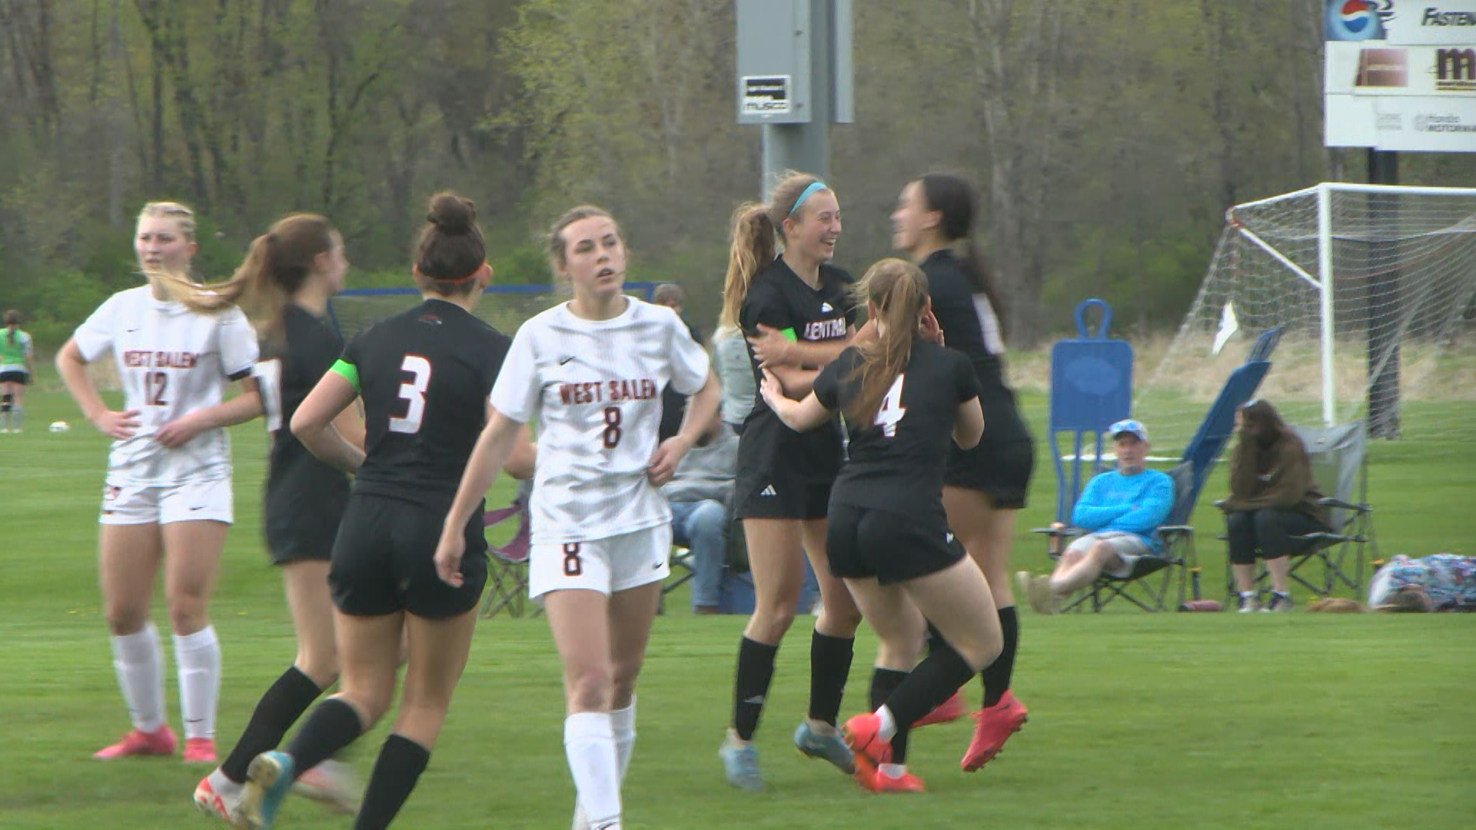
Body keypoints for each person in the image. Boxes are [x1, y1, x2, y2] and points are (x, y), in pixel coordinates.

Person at [237, 193, 531, 830]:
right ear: (484, 274)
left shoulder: (372, 338)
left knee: (362, 690)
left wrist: (361, 465)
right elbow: (516, 457)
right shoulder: (495, 350)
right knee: (423, 706)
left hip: (365, 523)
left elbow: (307, 422)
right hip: (441, 531)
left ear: (417, 274)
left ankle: (288, 760)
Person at [435, 205, 719, 830]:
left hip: (640, 520)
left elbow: (707, 388)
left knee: (622, 679)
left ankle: (590, 816)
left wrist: (681, 441)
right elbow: (498, 437)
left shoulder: (659, 326)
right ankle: (609, 822)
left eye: (610, 242)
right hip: (567, 522)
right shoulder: (539, 337)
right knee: (588, 681)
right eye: (586, 248)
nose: (602, 255)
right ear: (564, 266)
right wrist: (457, 523)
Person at [761, 258, 1002, 793]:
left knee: (901, 639)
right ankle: (880, 727)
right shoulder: (951, 365)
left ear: (871, 310)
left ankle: (888, 772)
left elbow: (799, 418)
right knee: (984, 643)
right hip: (906, 517)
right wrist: (942, 353)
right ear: (926, 309)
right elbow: (972, 437)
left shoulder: (850, 362)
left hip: (847, 516)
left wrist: (774, 397)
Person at [55, 201, 263, 764]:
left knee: (184, 605)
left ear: (188, 249)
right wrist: (99, 414)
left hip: (196, 475)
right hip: (132, 472)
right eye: (145, 237)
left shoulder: (218, 312)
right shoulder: (122, 307)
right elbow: (70, 358)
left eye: (164, 239)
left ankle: (200, 738)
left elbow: (256, 398)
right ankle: (149, 732)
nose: (152, 248)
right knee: (121, 611)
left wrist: (200, 419)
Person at [191, 214, 363, 820]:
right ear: (320, 261)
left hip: (304, 502)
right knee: (324, 659)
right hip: (311, 505)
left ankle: (309, 758)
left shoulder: (288, 330)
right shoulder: (314, 339)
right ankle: (233, 778)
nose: (346, 260)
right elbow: (351, 433)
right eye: (339, 250)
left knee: (368, 650)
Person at [717, 172, 864, 791]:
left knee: (846, 604)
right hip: (774, 455)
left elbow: (868, 351)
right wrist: (839, 358)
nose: (835, 228)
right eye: (824, 218)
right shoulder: (766, 295)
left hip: (826, 452)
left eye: (837, 217)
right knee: (776, 608)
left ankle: (819, 726)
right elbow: (784, 384)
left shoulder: (843, 286)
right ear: (791, 227)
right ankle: (739, 740)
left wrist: (807, 355)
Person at [890, 172, 1037, 770]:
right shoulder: (964, 275)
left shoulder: (927, 281)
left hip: (976, 440)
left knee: (911, 553)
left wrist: (790, 354)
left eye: (906, 204)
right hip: (1009, 435)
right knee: (988, 579)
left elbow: (874, 348)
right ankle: (996, 704)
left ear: (932, 218)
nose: (897, 214)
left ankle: (945, 686)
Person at [1021, 419, 1174, 615]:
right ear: (1115, 449)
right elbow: (1081, 517)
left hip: (1139, 542)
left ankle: (1050, 589)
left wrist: (1103, 521)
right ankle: (1051, 601)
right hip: (1098, 537)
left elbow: (1146, 519)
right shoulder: (1100, 481)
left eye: (1133, 444)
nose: (1127, 450)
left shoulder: (1160, 482)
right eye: (1122, 444)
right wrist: (1126, 508)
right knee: (1073, 553)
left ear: (1145, 447)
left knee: (1100, 548)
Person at [1221, 399, 1328, 613]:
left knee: (1265, 518)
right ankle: (1247, 596)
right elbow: (1240, 490)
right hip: (1260, 516)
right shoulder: (1244, 448)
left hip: (1303, 516)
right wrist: (1246, 449)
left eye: (1243, 425)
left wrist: (1241, 504)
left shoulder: (1290, 447)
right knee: (1237, 520)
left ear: (1259, 424)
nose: (1239, 430)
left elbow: (1287, 497)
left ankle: (1281, 595)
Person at [662, 403, 739, 615]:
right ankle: (646, 606)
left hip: (709, 507)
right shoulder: (675, 445)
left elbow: (740, 486)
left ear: (719, 417)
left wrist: (702, 490)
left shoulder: (736, 446)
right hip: (670, 507)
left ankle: (705, 605)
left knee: (707, 517)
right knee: (646, 518)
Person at [652, 282, 704, 442]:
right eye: (664, 305)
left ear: (680, 307)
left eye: (673, 305)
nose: (670, 311)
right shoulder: (647, 335)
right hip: (657, 403)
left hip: (683, 402)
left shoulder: (691, 335)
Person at [0, 309, 34, 433]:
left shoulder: (0, 334)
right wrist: (31, 373)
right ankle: (16, 427)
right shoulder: (24, 336)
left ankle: (4, 427)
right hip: (19, 369)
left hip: (4, 369)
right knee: (18, 398)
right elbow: (27, 356)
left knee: (6, 398)